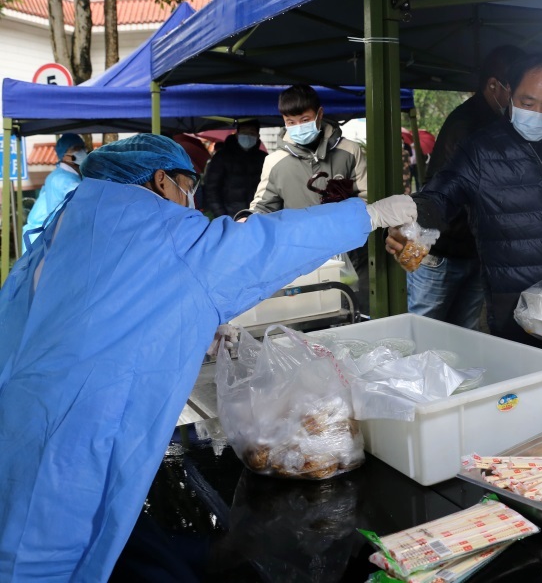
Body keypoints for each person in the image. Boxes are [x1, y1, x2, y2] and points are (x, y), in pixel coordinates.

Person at [0, 134, 416, 581]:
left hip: (16, 416)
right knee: (48, 558)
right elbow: (264, 245)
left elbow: (96, 312)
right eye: (187, 186)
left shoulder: (74, 221)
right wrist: (369, 214)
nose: (190, 200)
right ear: (162, 181)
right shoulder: (164, 230)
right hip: (75, 441)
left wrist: (186, 322)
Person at [389, 53, 542, 348]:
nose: (537, 113)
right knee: (523, 383)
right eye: (527, 102)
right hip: (513, 299)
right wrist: (412, 222)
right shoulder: (481, 149)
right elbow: (441, 194)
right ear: (509, 92)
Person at [406, 45, 526, 331]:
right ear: (494, 86)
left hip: (474, 250)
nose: (522, 103)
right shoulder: (468, 126)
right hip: (441, 248)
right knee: (424, 332)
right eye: (518, 92)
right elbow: (454, 194)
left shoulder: (497, 122)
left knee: (464, 334)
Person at [239, 85, 370, 313]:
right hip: (299, 255)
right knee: (310, 313)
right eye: (290, 121)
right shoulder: (275, 161)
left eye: (305, 119)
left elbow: (368, 199)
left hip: (349, 253)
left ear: (319, 115)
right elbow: (263, 206)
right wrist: (247, 221)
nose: (298, 126)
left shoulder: (350, 151)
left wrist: (346, 208)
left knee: (351, 310)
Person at [22, 133, 86, 250]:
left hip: (42, 240)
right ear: (64, 154)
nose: (81, 152)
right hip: (41, 242)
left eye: (82, 148)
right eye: (76, 149)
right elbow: (85, 199)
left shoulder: (66, 175)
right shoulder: (62, 179)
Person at [203, 120, 267, 218]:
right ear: (237, 135)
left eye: (251, 133)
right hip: (230, 217)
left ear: (258, 136)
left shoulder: (264, 158)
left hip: (258, 216)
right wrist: (222, 216)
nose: (248, 136)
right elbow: (212, 190)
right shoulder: (222, 157)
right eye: (244, 132)